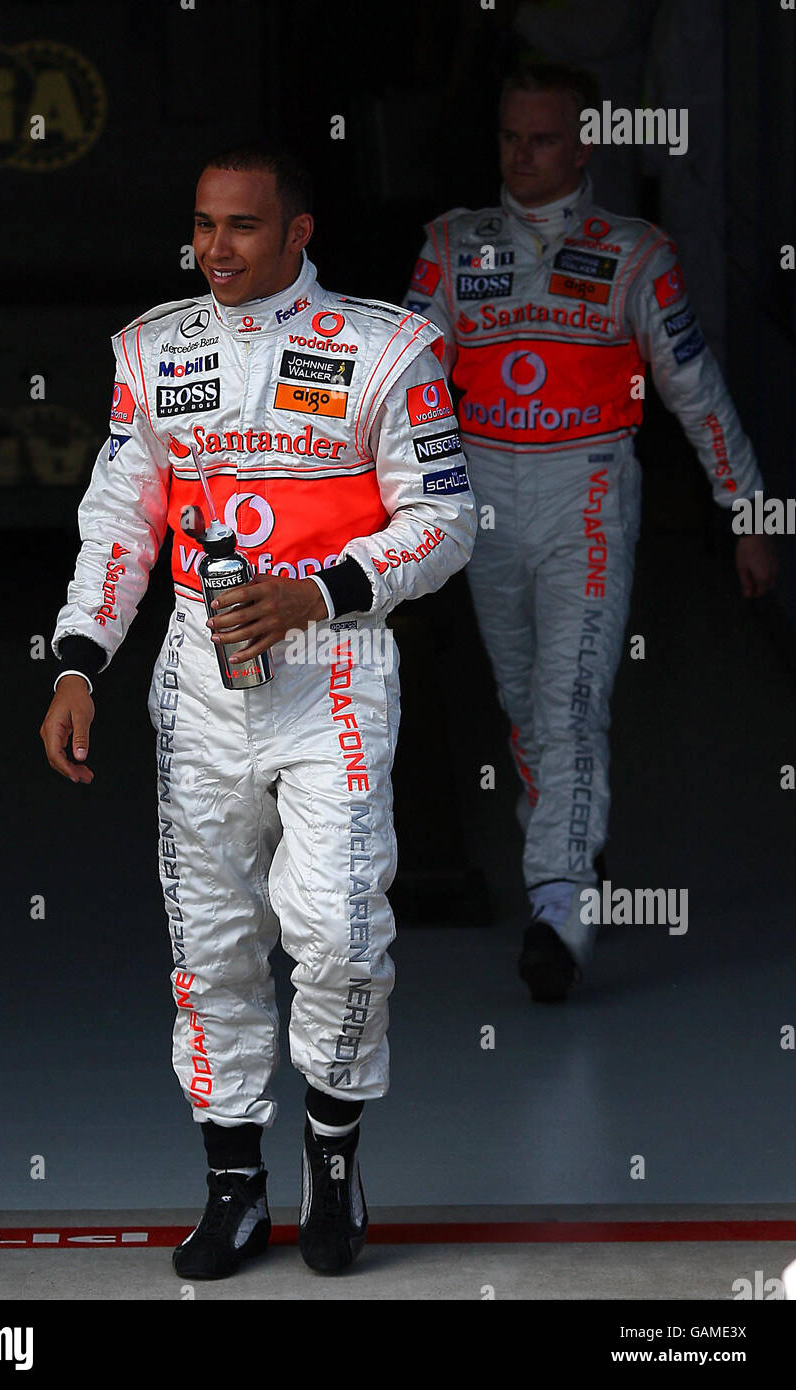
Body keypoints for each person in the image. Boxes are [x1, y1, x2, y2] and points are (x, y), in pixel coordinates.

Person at [40, 146, 476, 1278]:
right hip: (197, 669)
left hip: (330, 664)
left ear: (298, 234)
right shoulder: (153, 349)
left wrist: (316, 591)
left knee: (337, 933)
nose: (216, 248)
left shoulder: (390, 349)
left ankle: (331, 1171)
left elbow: (443, 519)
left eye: (241, 227)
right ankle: (233, 1191)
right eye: (201, 224)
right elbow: (119, 520)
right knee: (210, 946)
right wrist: (78, 661)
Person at [403, 64, 775, 1003]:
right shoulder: (451, 245)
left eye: (540, 139)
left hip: (588, 493)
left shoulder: (638, 253)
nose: (519, 156)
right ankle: (567, 850)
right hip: (480, 494)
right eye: (507, 138)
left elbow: (695, 391)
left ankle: (559, 907)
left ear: (583, 145)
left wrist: (749, 513)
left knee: (571, 702)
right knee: (525, 698)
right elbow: (399, 386)